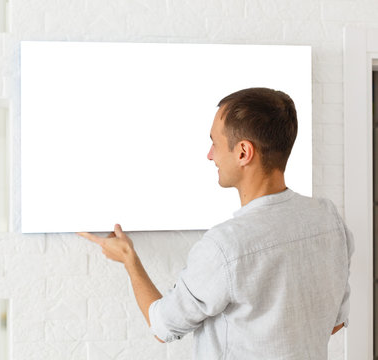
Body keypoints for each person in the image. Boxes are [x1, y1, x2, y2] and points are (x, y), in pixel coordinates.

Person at [78, 87, 353, 359]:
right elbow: (335, 323)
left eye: (215, 143)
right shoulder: (329, 220)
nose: (210, 155)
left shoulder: (226, 246)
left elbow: (162, 326)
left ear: (244, 152)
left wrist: (129, 259)